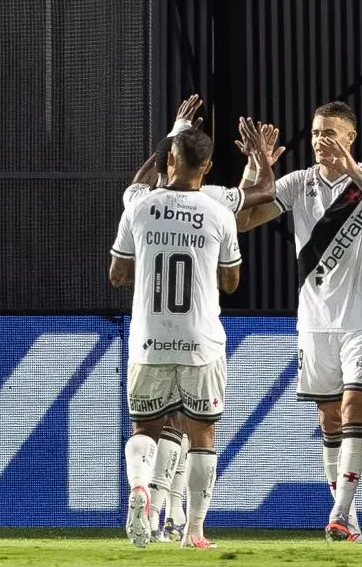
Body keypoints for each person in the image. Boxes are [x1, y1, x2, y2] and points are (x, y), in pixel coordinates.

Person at [237, 101, 362, 542]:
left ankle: (338, 512)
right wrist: (255, 172)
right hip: (315, 319)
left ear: (350, 138)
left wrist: (354, 170)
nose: (319, 140)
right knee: (330, 418)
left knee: (354, 407)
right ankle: (348, 522)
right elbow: (241, 221)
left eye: (329, 133)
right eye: (315, 132)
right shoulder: (298, 183)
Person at [120, 95, 282, 542]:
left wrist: (171, 133)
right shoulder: (217, 206)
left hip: (148, 336)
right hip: (201, 340)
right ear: (208, 168)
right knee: (202, 434)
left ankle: (139, 489)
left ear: (169, 157)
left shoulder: (138, 202)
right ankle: (193, 530)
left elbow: (117, 273)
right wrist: (261, 159)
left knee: (145, 429)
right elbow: (233, 277)